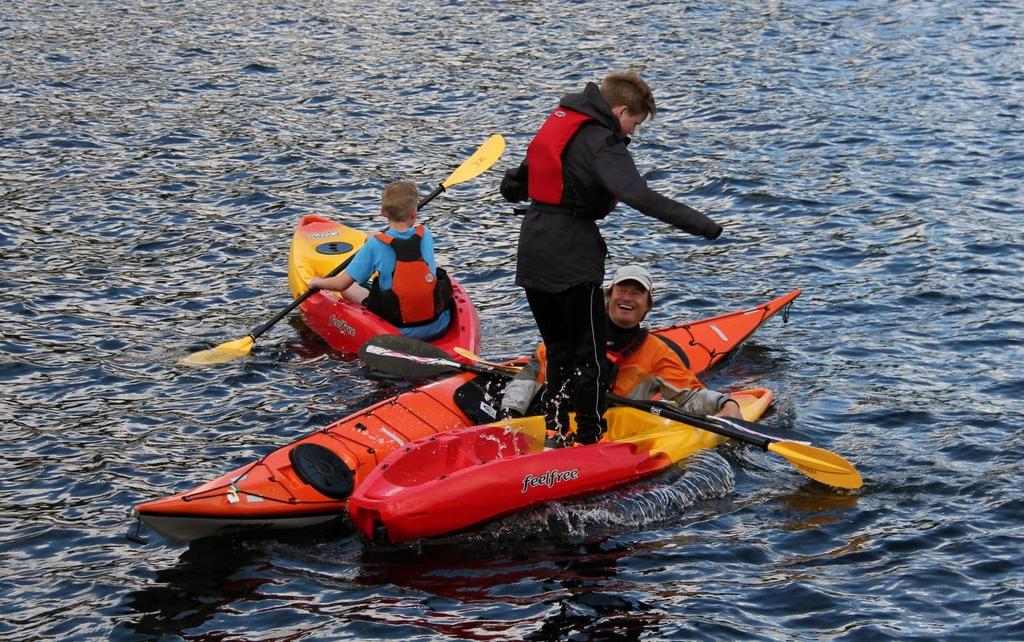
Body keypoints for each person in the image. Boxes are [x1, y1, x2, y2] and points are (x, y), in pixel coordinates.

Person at [500, 71, 726, 446]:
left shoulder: (561, 123)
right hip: (571, 253)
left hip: (532, 249)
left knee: (557, 348)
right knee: (589, 354)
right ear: (620, 110)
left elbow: (518, 182)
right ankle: (589, 438)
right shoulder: (601, 140)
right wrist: (703, 226)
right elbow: (638, 195)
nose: (632, 132)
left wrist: (512, 187)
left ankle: (555, 428)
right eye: (634, 122)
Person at [501, 264, 742, 447]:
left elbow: (689, 397)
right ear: (608, 296)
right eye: (622, 290)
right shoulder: (573, 333)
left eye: (637, 293)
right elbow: (530, 377)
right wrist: (509, 419)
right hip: (559, 426)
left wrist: (725, 403)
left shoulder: (657, 352)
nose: (627, 297)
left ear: (647, 305)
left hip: (611, 435)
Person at [310, 180, 453, 341]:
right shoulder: (425, 234)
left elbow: (339, 284)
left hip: (398, 330)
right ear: (414, 213)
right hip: (438, 323)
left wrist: (316, 282)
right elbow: (404, 242)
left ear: (382, 212)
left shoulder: (375, 245)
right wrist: (376, 240)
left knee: (349, 288)